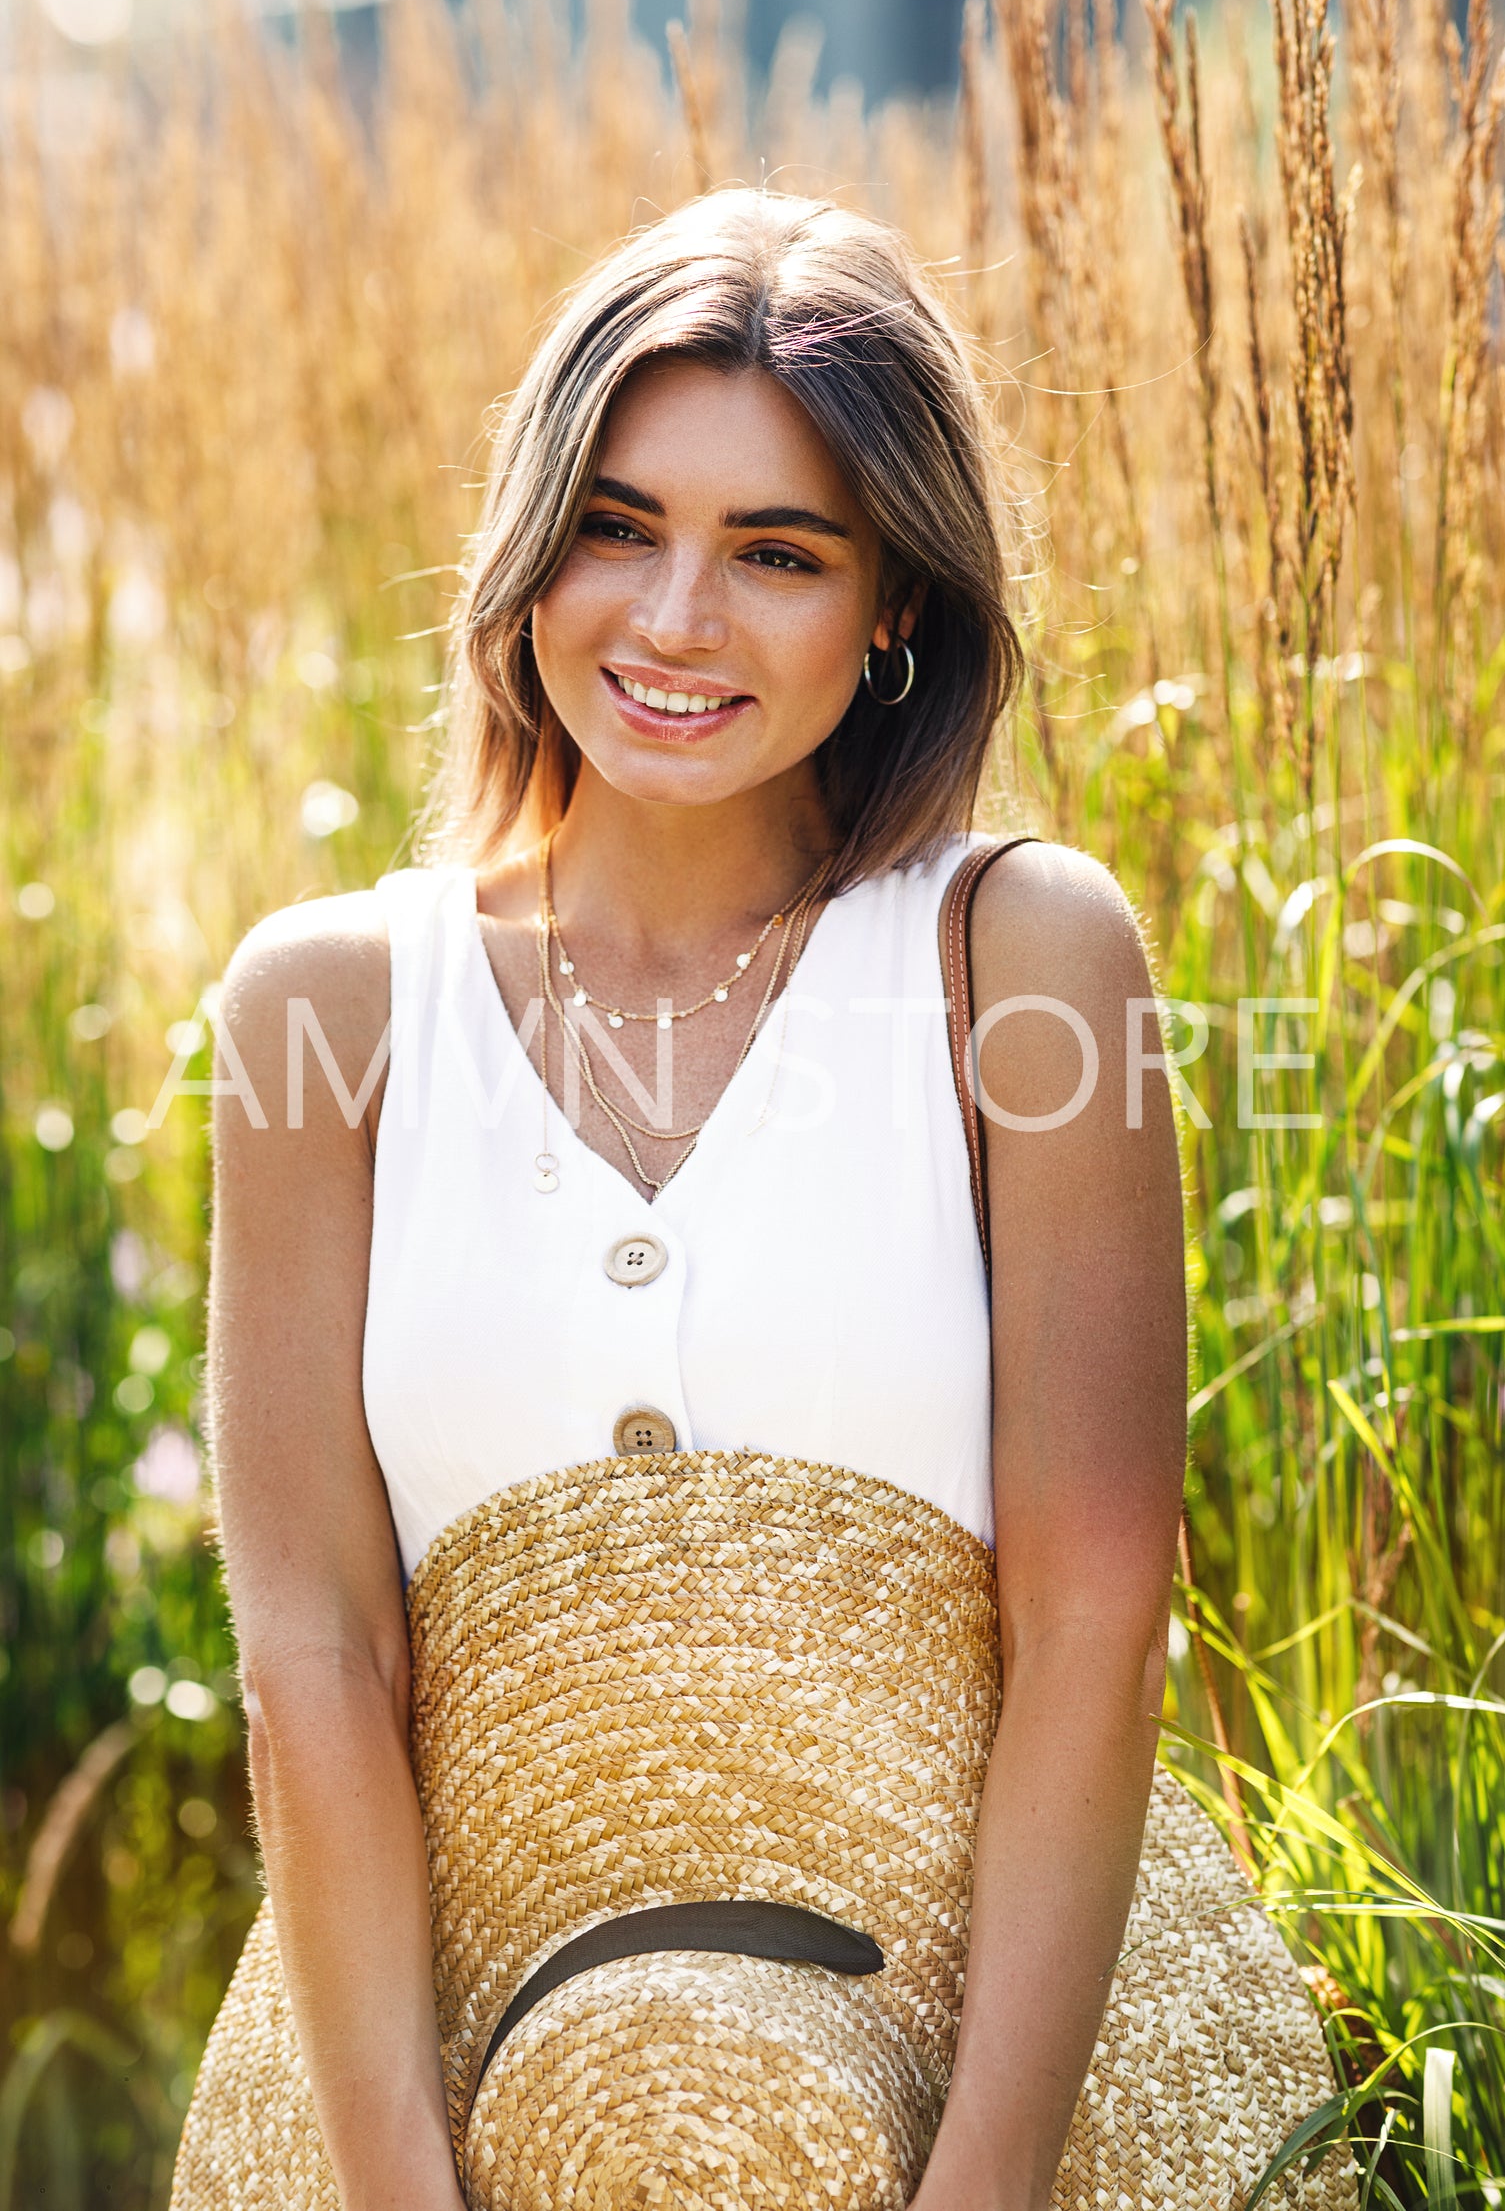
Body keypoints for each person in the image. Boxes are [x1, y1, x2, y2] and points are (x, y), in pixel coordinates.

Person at [202, 187, 1187, 2211]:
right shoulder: (327, 1010)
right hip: (456, 2105)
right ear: (529, 541)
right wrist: (402, 2185)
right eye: (619, 524)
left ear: (896, 603)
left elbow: (1096, 1607)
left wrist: (982, 2185)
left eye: (778, 554)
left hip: (964, 2100)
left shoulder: (1023, 960)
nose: (671, 620)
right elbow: (312, 1641)